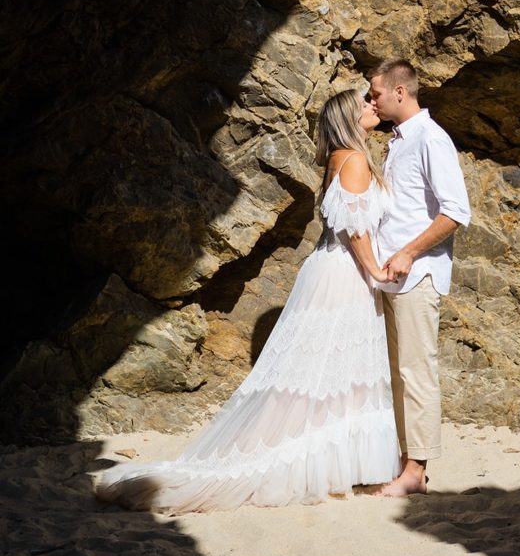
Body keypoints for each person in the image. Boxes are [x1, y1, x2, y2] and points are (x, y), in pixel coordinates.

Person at [94, 89, 401, 513]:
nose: (372, 106)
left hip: (330, 268)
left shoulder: (338, 157)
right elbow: (356, 230)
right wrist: (377, 272)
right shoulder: (354, 159)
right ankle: (316, 458)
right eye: (363, 104)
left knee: (326, 367)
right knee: (330, 366)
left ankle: (334, 461)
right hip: (346, 271)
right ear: (349, 117)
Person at [369, 59, 470, 497]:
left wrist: (409, 252)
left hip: (417, 274)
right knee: (395, 371)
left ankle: (416, 470)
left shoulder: (430, 138)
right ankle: (403, 463)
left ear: (399, 93)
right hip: (388, 276)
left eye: (375, 93)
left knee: (416, 369)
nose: (369, 100)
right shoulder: (398, 141)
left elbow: (456, 212)